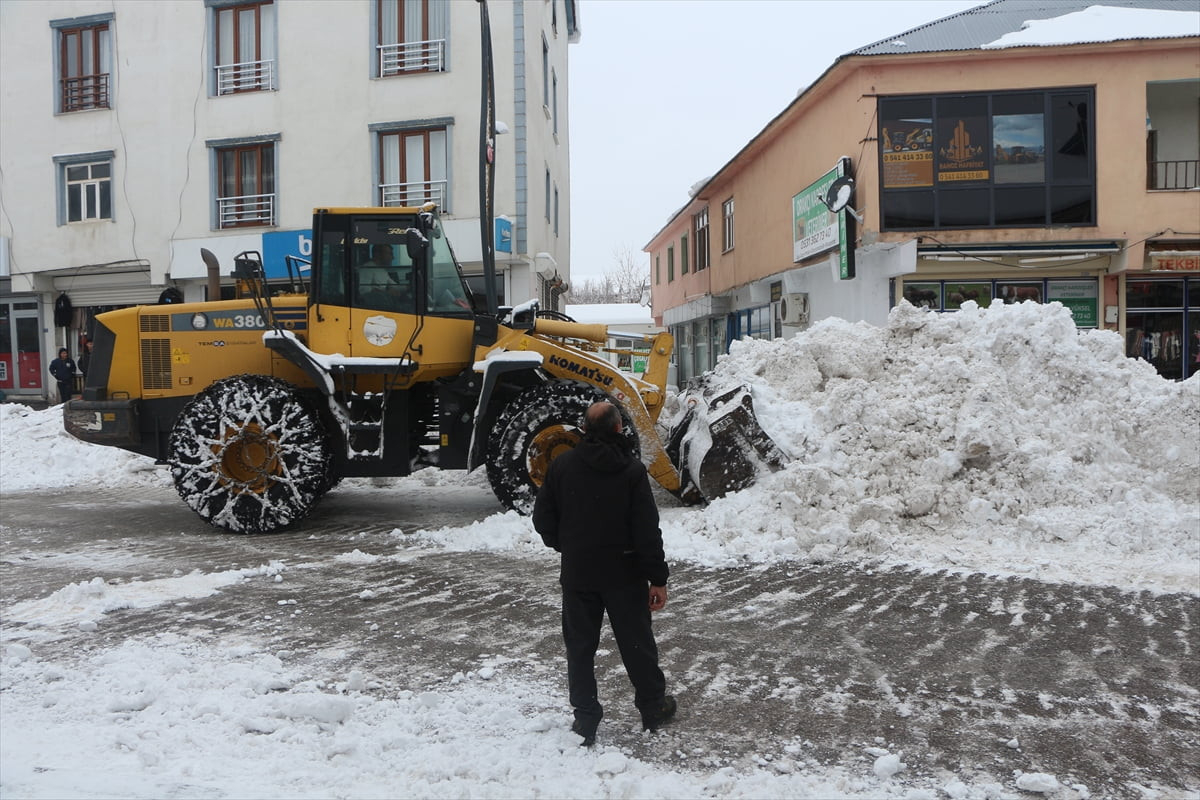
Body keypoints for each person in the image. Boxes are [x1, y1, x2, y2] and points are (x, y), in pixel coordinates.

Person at [532, 401, 676, 747]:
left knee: (580, 648)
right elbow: (646, 531)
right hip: (624, 575)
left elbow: (542, 519)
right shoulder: (631, 471)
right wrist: (657, 577)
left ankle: (585, 718)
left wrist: (566, 545)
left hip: (579, 574)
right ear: (618, 429)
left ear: (584, 429)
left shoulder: (562, 465)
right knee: (637, 645)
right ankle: (653, 707)